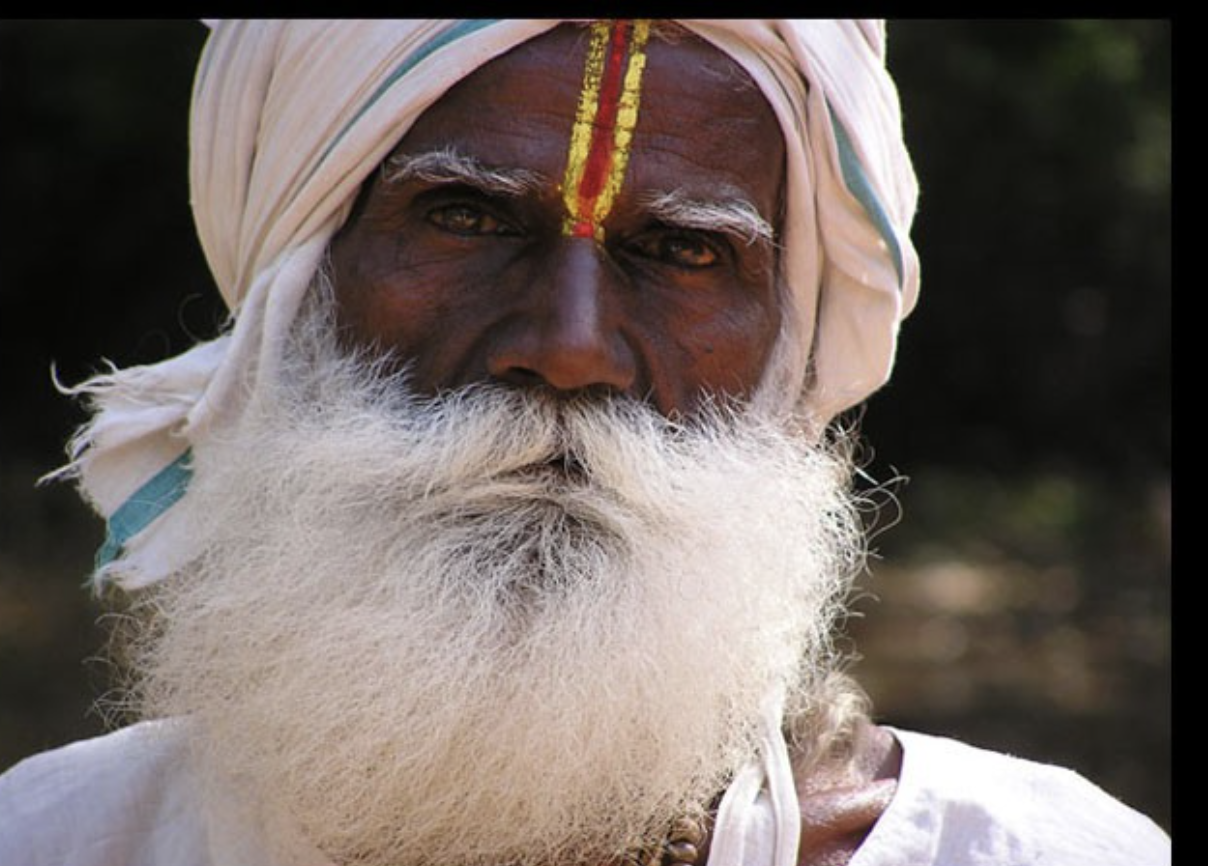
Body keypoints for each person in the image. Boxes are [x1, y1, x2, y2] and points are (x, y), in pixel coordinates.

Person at [0, 19, 1170, 866]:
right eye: (463, 217)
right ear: (292, 293)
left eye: (681, 251)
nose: (567, 350)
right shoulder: (54, 839)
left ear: (791, 352)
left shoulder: (1038, 852)